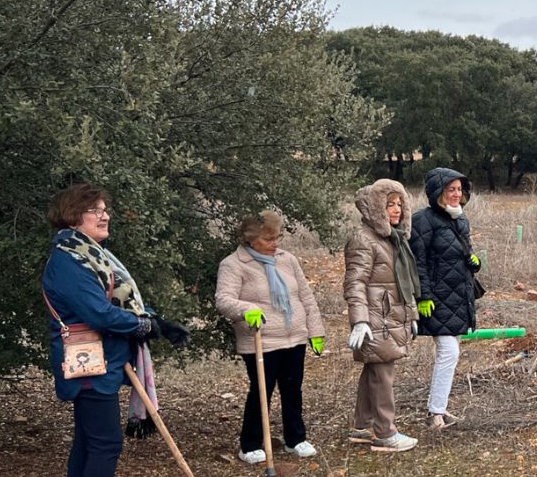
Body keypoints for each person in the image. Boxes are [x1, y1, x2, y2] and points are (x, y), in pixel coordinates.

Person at [43, 184, 188, 477]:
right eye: (95, 210)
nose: (105, 216)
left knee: (88, 443)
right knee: (105, 444)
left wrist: (157, 322)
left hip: (103, 359)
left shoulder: (90, 255)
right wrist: (142, 326)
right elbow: (99, 313)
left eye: (105, 210)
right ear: (72, 215)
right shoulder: (69, 261)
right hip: (88, 363)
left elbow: (120, 302)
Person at [215, 210, 327, 463]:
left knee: (292, 390)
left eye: (278, 237)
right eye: (268, 239)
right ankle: (250, 444)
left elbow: (306, 297)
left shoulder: (287, 260)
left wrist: (316, 331)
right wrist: (246, 310)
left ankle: (295, 439)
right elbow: (223, 299)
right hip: (261, 340)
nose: (275, 243)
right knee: (261, 392)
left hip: (294, 337)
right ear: (250, 238)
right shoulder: (233, 264)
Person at [344, 179, 421, 452]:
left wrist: (411, 315)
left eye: (399, 204)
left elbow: (403, 284)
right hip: (377, 320)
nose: (397, 209)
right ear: (376, 208)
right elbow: (355, 283)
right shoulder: (364, 240)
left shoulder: (394, 240)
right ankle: (385, 432)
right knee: (383, 374)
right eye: (390, 205)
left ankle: (362, 426)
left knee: (374, 370)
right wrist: (360, 321)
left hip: (390, 318)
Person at [408, 168, 482, 429]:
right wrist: (423, 297)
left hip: (459, 297)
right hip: (437, 298)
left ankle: (438, 409)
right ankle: (435, 413)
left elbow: (465, 251)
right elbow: (418, 262)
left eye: (459, 189)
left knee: (451, 354)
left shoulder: (461, 219)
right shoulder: (422, 220)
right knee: (449, 352)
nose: (456, 194)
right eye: (451, 189)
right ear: (438, 192)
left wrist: (475, 261)